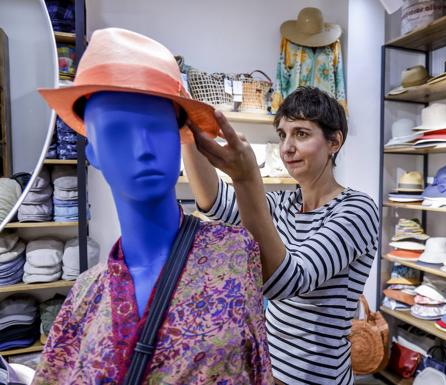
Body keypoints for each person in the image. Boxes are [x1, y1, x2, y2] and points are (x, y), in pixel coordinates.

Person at [33, 28, 273, 384]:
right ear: (92, 152)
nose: (143, 147)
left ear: (180, 141)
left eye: (157, 127)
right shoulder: (84, 299)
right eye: (117, 131)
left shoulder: (235, 253)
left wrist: (247, 177)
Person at [183, 86, 380, 384]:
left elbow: (288, 280)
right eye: (282, 134)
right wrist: (186, 127)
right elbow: (214, 200)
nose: (287, 147)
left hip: (315, 378)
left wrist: (246, 177)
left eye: (301, 134)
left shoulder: (356, 210)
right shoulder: (283, 203)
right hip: (267, 368)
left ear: (334, 142)